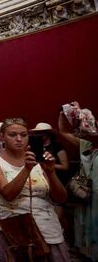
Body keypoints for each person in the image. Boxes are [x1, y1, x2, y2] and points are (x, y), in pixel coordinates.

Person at [0, 118, 70, 261]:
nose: (19, 139)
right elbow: (8, 194)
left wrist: (51, 172)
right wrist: (27, 168)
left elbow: (61, 198)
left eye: (24, 135)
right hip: (15, 229)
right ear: (2, 136)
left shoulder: (38, 159)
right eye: (12, 135)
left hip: (47, 227)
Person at [59, 103, 98, 260]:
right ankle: (88, 253)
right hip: (87, 196)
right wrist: (65, 113)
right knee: (86, 224)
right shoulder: (87, 146)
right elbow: (63, 131)